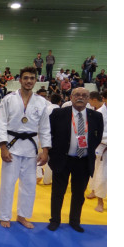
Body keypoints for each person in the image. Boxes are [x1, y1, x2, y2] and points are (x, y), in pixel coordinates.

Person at [0, 66, 51, 229]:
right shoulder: (8, 99)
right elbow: (0, 124)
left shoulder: (41, 102)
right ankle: (5, 215)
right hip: (12, 146)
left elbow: (45, 128)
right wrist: (3, 147)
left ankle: (22, 215)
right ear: (19, 80)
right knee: (8, 183)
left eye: (32, 78)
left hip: (31, 149)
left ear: (35, 80)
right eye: (25, 78)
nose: (28, 81)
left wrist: (45, 150)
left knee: (29, 185)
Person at [48, 87, 103, 233]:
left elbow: (97, 137)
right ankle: (55, 220)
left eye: (84, 95)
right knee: (58, 192)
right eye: (77, 94)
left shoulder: (95, 116)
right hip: (62, 159)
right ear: (71, 97)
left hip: (83, 160)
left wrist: (87, 150)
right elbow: (49, 134)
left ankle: (75, 221)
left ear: (88, 99)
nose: (80, 97)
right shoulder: (58, 113)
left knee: (79, 194)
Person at [86, 91, 107, 213]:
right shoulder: (99, 114)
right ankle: (100, 202)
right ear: (104, 99)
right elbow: (95, 133)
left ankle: (94, 190)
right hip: (102, 146)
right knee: (101, 175)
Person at [36, 93, 62, 185]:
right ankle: (47, 180)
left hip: (41, 134)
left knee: (39, 154)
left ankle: (38, 173)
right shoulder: (61, 111)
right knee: (51, 158)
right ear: (60, 102)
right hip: (54, 137)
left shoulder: (45, 109)